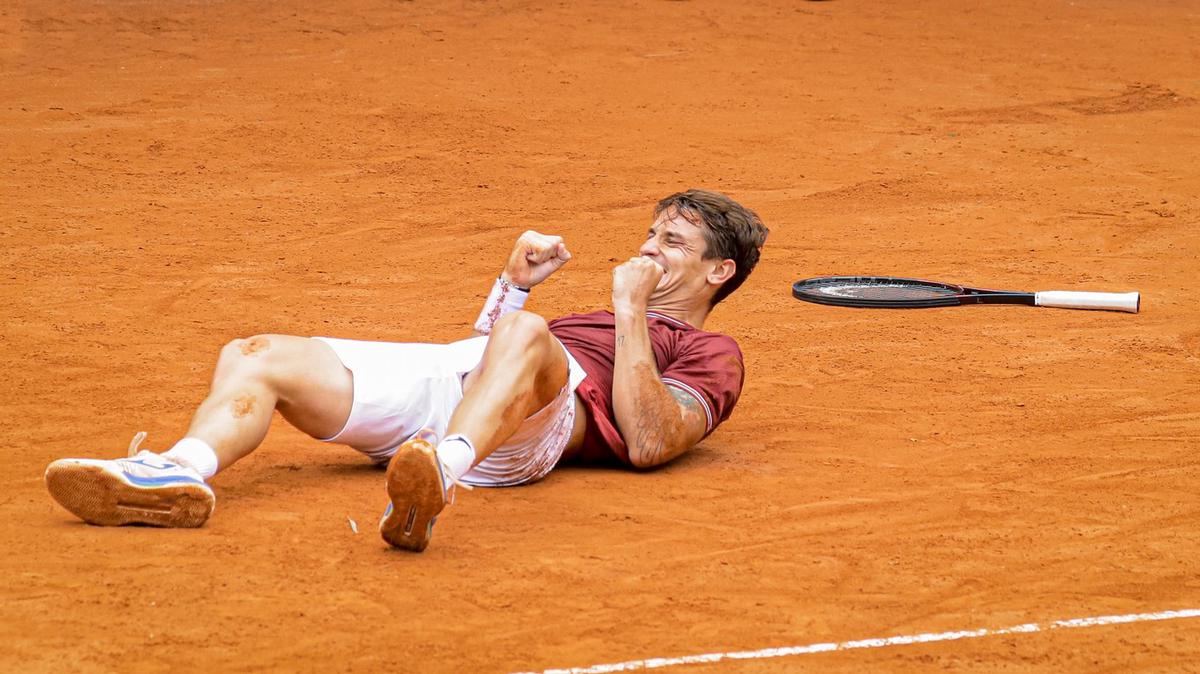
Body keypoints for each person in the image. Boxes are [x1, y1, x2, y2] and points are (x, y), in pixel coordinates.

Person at [44, 189, 769, 552]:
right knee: (256, 353)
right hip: (454, 387)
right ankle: (177, 471)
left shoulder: (713, 353)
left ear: (718, 271)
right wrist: (513, 285)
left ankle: (438, 477)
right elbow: (495, 360)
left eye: (671, 242)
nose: (648, 248)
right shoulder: (581, 317)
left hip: (524, 441)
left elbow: (650, 440)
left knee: (526, 332)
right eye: (650, 232)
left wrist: (628, 312)